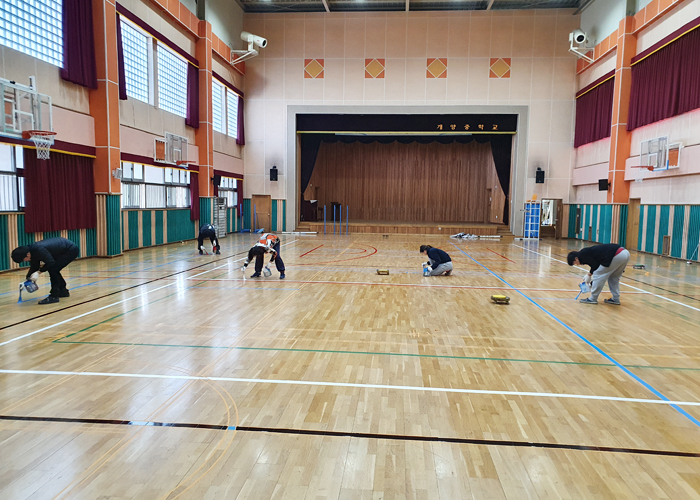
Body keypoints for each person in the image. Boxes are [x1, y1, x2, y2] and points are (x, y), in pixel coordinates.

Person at [11, 237, 80, 304]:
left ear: (27, 255)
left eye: (23, 260)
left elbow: (50, 262)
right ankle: (63, 291)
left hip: (70, 250)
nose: (25, 261)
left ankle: (54, 296)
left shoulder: (39, 250)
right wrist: (28, 279)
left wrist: (39, 272)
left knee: (53, 269)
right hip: (61, 251)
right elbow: (34, 266)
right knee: (53, 269)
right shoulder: (31, 251)